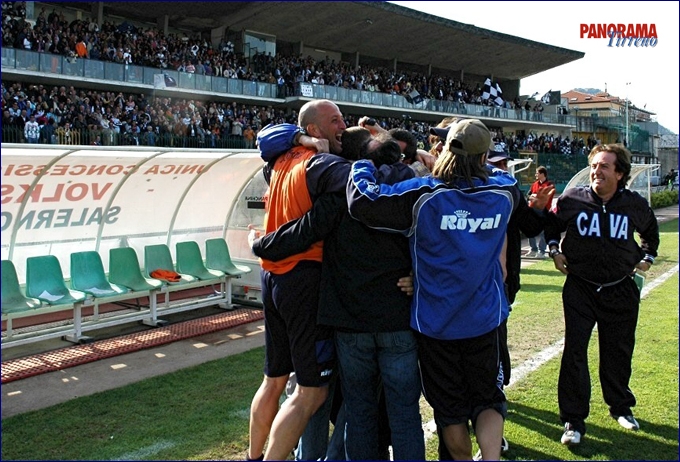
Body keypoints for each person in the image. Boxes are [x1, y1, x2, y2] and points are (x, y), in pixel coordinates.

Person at [347, 118, 522, 461]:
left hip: (436, 324)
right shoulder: (506, 191)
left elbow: (364, 202)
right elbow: (494, 180)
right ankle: (491, 458)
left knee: (450, 411)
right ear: (485, 154)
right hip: (484, 320)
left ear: (444, 149)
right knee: (487, 399)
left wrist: (362, 162)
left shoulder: (424, 194)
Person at [253, 126, 425, 460]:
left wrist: (260, 244)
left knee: (353, 409)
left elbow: (302, 231)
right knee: (402, 412)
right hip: (395, 318)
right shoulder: (413, 187)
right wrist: (418, 274)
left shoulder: (337, 188)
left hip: (349, 321)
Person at [247, 99, 350, 461]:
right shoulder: (322, 165)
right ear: (314, 130)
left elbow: (265, 139)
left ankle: (253, 456)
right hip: (302, 280)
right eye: (335, 120)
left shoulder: (278, 163)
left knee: (273, 380)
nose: (343, 125)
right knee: (311, 392)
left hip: (272, 279)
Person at [544, 143, 659, 446]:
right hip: (580, 286)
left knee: (618, 350)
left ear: (620, 173)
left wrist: (647, 258)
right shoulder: (572, 199)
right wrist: (554, 251)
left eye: (604, 166)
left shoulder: (634, 204)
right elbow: (551, 228)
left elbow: (650, 234)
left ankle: (620, 407)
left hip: (620, 287)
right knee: (574, 352)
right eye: (594, 165)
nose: (596, 171)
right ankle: (573, 419)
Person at [526, 166, 555, 258]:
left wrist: (538, 198)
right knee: (529, 228)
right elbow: (528, 194)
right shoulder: (535, 184)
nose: (535, 175)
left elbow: (548, 196)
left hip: (544, 210)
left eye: (537, 173)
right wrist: (531, 197)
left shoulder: (549, 184)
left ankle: (541, 251)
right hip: (533, 209)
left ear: (542, 174)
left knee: (543, 231)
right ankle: (533, 249)